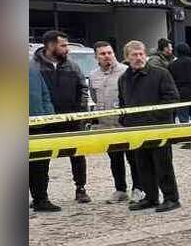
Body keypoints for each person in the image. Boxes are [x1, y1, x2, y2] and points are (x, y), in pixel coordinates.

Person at [119, 40, 181, 212]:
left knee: (163, 165)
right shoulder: (124, 79)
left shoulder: (160, 74)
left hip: (159, 128)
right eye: (134, 55)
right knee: (142, 166)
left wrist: (153, 118)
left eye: (141, 54)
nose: (139, 58)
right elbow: (123, 103)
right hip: (137, 131)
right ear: (126, 58)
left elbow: (172, 99)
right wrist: (125, 120)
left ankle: (171, 198)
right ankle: (151, 197)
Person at [29, 29, 91, 203]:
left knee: (77, 155)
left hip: (70, 119)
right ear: (50, 46)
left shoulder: (72, 65)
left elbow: (83, 88)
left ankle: (81, 188)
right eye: (63, 45)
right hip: (43, 121)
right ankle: (40, 195)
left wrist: (80, 111)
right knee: (40, 160)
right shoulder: (33, 66)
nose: (67, 49)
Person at [88, 41, 138, 202]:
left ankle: (138, 188)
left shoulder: (126, 72)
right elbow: (94, 97)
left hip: (126, 124)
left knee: (134, 159)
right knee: (115, 160)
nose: (107, 56)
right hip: (107, 126)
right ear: (96, 57)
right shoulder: (93, 75)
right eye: (102, 54)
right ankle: (120, 190)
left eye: (109, 52)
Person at [28, 65, 60, 212]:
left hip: (38, 125)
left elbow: (45, 94)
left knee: (40, 165)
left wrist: (49, 115)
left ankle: (40, 199)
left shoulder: (32, 69)